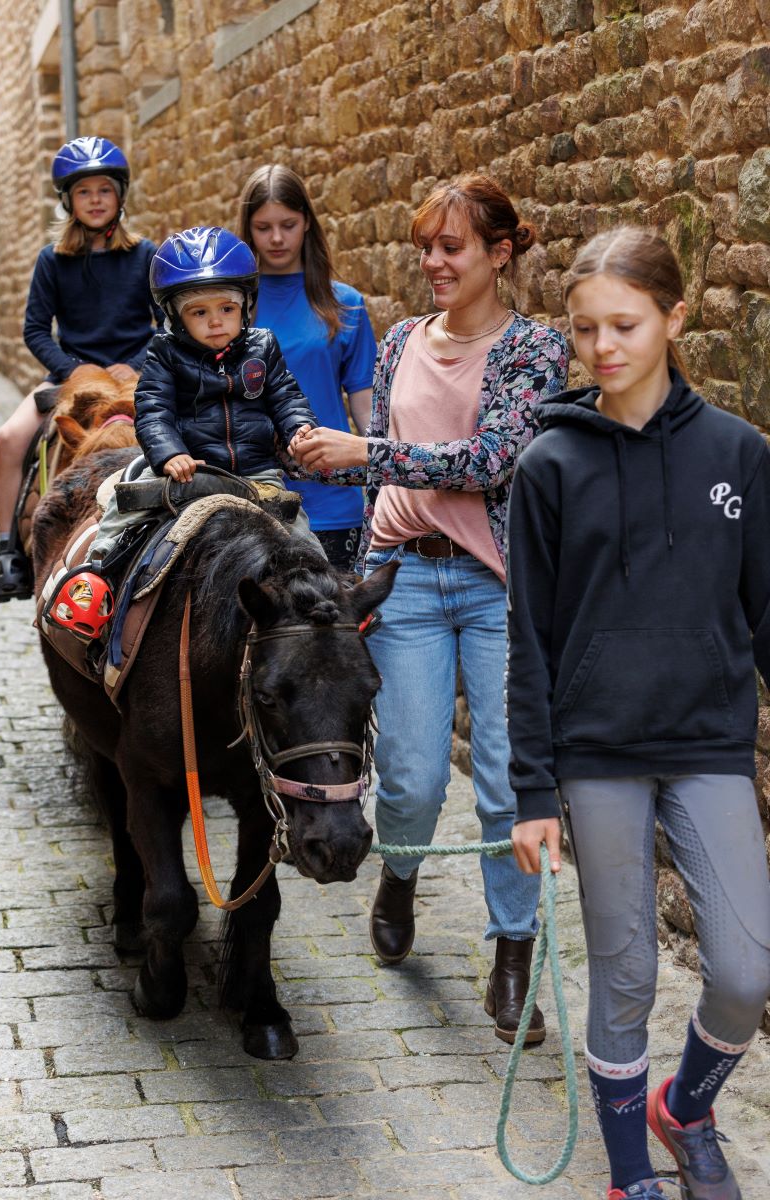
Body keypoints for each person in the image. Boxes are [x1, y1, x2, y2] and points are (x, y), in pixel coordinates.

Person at [506, 226, 770, 1199]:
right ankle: (629, 1178)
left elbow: (765, 609)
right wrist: (530, 790)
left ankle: (684, 1108)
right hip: (596, 755)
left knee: (744, 968)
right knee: (623, 977)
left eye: (623, 324)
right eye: (583, 330)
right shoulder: (547, 467)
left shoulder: (736, 454)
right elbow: (527, 639)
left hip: (705, 743)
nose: (602, 347)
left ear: (673, 317)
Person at [288, 173, 568, 1042]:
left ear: (500, 252)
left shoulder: (537, 350)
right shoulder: (404, 336)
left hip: (497, 589)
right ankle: (400, 874)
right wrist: (338, 461)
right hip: (404, 579)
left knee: (503, 780)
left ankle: (513, 954)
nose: (433, 262)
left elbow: (491, 460)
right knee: (408, 778)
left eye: (451, 247)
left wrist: (362, 450)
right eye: (427, 247)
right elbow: (393, 470)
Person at [72, 225, 324, 607]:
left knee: (303, 536)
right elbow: (153, 410)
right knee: (124, 510)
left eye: (227, 308)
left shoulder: (263, 346)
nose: (216, 321)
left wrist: (299, 428)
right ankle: (94, 577)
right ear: (176, 316)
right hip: (191, 470)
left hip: (256, 473)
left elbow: (286, 396)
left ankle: (328, 600)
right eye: (200, 312)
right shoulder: (165, 353)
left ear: (246, 306)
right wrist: (170, 453)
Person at [0, 136, 159, 601]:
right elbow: (36, 331)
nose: (96, 200)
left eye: (104, 190)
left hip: (133, 375)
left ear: (120, 195)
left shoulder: (145, 255)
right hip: (71, 377)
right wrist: (72, 368)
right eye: (84, 193)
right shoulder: (53, 261)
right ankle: (9, 549)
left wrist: (138, 363)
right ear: (68, 201)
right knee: (8, 438)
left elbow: (166, 326)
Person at [239, 164, 377, 569]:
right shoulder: (229, 308)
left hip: (333, 502)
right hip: (249, 497)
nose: (277, 238)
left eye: (288, 224)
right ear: (247, 230)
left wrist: (388, 465)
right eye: (264, 227)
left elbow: (366, 409)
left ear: (307, 224)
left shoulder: (344, 304)